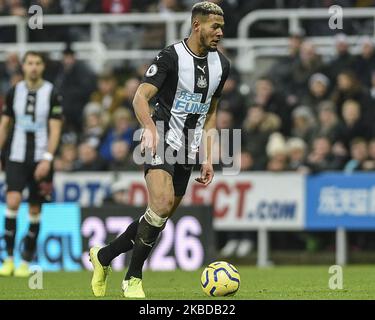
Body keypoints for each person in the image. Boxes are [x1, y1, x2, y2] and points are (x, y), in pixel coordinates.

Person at [89, 1, 229, 298]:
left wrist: (208, 156)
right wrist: (151, 128)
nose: (219, 33)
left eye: (222, 28)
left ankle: (103, 257)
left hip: (189, 149)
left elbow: (211, 113)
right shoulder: (170, 56)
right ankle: (133, 279)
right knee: (162, 204)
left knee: (157, 216)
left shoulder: (222, 66)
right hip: (162, 137)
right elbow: (140, 96)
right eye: (214, 27)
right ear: (197, 26)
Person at [0, 51, 63, 277]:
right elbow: (5, 124)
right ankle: (7, 259)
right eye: (29, 63)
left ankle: (25, 260)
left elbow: (55, 129)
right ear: (24, 67)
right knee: (13, 200)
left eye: (37, 63)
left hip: (41, 159)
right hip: (16, 156)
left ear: (43, 67)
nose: (33, 67)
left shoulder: (52, 93)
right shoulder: (13, 91)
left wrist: (47, 158)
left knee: (35, 209)